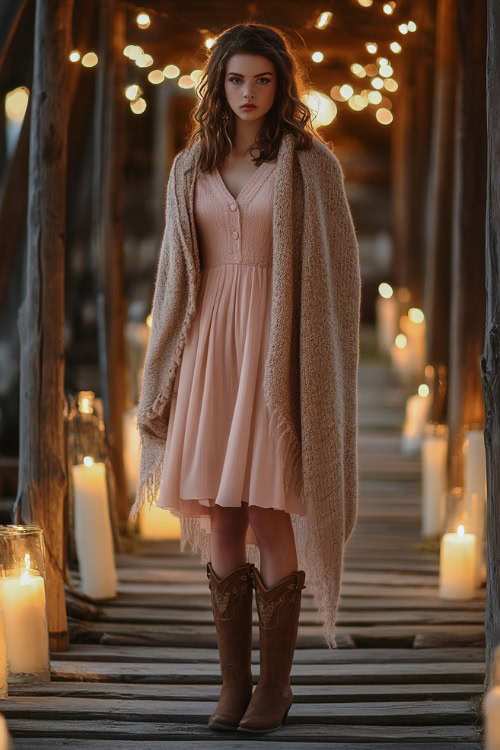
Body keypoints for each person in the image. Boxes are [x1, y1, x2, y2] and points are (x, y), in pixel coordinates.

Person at [130, 21, 361, 736]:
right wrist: (164, 360)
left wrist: (310, 356)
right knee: (222, 512)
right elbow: (176, 276)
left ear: (281, 85)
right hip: (209, 352)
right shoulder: (189, 166)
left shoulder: (308, 164)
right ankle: (234, 684)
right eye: (237, 79)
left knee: (268, 510)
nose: (250, 92)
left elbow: (336, 275)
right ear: (218, 85)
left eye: (263, 79)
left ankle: (278, 686)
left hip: (274, 351)